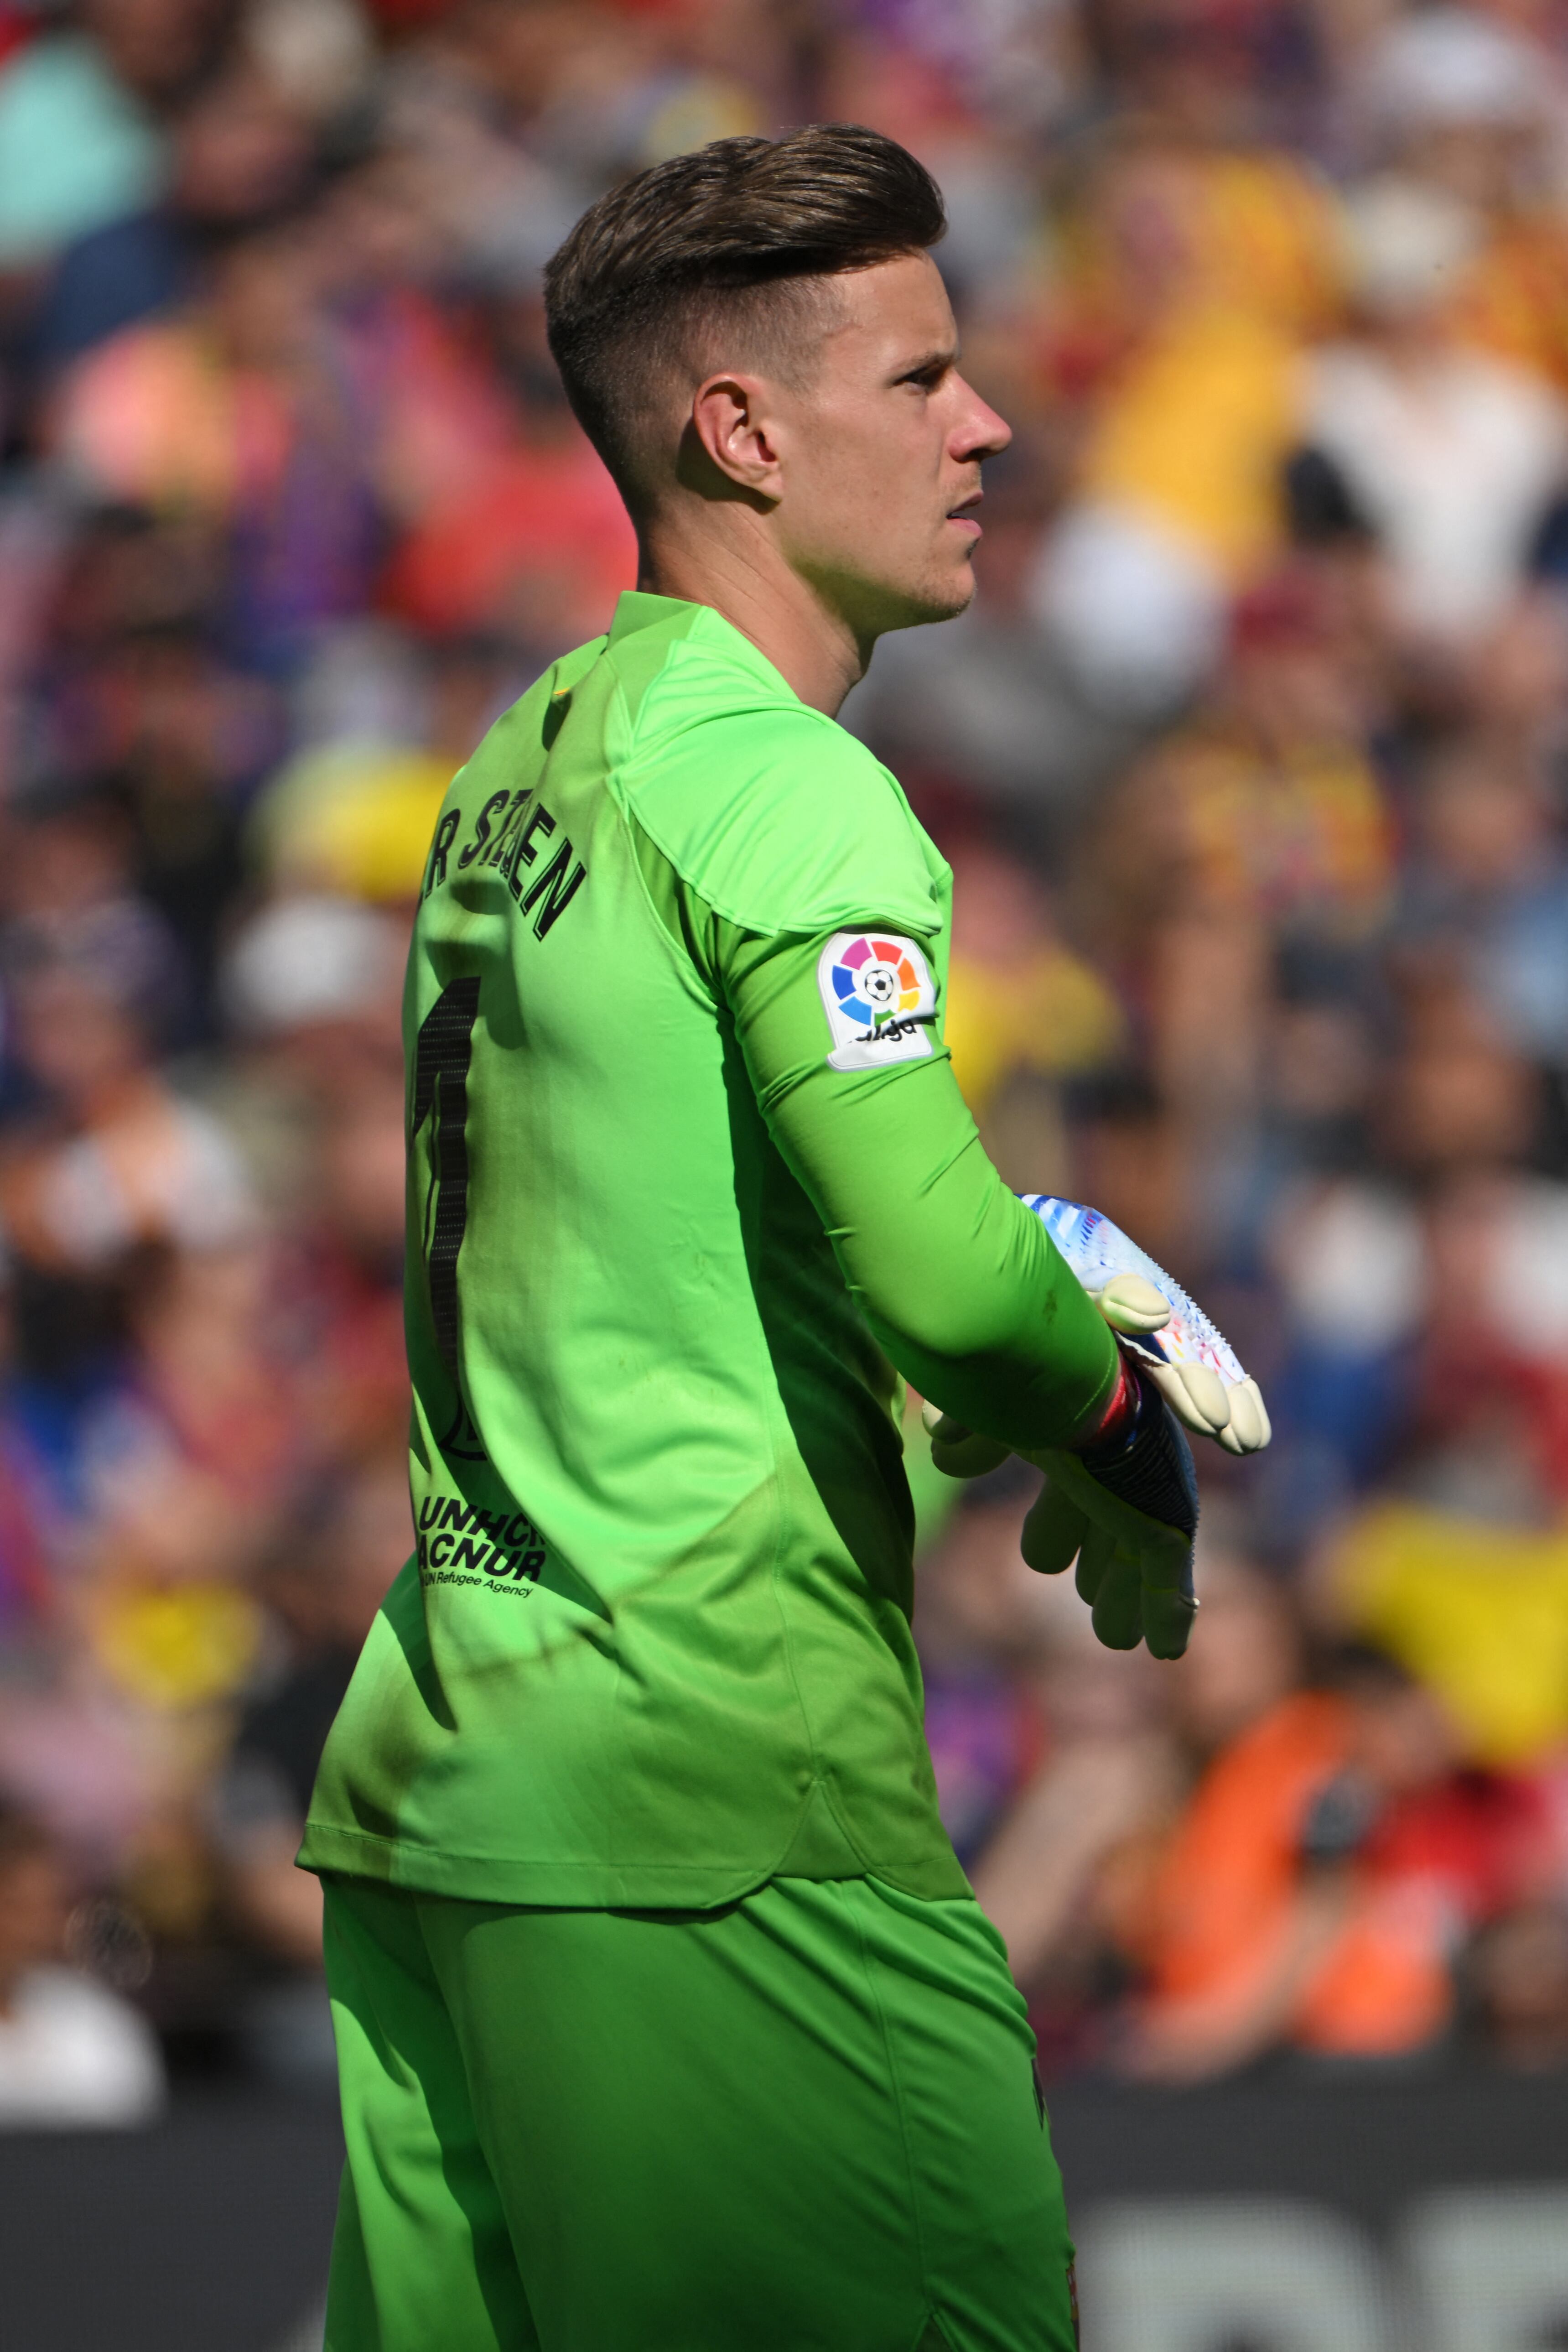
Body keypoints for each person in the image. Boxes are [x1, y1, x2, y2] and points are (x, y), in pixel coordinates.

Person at [301, 125, 1209, 2352]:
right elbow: (938, 1273)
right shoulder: (783, 783)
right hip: (712, 1796)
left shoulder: (523, 751)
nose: (984, 423)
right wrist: (1103, 1410)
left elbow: (640, 1278)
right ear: (739, 429)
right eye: (918, 379)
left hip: (450, 1781)